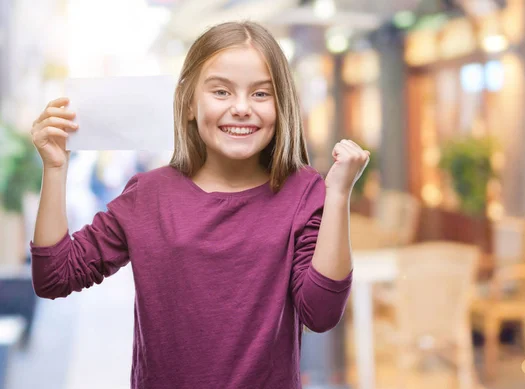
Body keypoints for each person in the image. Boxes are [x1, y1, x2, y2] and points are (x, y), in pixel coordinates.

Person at [28, 21, 369, 389]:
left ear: (281, 105)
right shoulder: (149, 195)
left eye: (260, 94)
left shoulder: (304, 192)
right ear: (190, 103)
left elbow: (320, 314)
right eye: (221, 92)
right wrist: (55, 169)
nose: (241, 108)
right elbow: (55, 277)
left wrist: (337, 196)